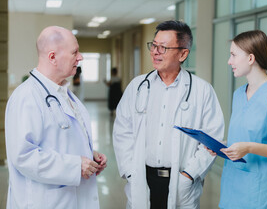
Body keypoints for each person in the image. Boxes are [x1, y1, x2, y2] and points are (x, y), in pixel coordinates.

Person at [113, 20, 224, 209]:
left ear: (183, 54)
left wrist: (189, 175)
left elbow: (212, 138)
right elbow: (122, 131)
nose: (155, 52)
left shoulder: (202, 90)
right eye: (154, 45)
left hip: (181, 181)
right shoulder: (138, 86)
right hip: (142, 177)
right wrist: (131, 172)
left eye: (163, 47)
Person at [5, 26, 107, 209]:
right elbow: (23, 156)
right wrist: (75, 166)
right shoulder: (26, 97)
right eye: (75, 52)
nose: (80, 57)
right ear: (52, 57)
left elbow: (58, 140)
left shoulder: (63, 93)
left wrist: (89, 155)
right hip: (43, 202)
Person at [211, 30, 267, 208]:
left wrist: (249, 148)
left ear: (251, 58)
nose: (230, 62)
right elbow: (247, 138)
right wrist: (223, 146)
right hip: (233, 190)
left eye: (233, 55)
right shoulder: (239, 95)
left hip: (262, 194)